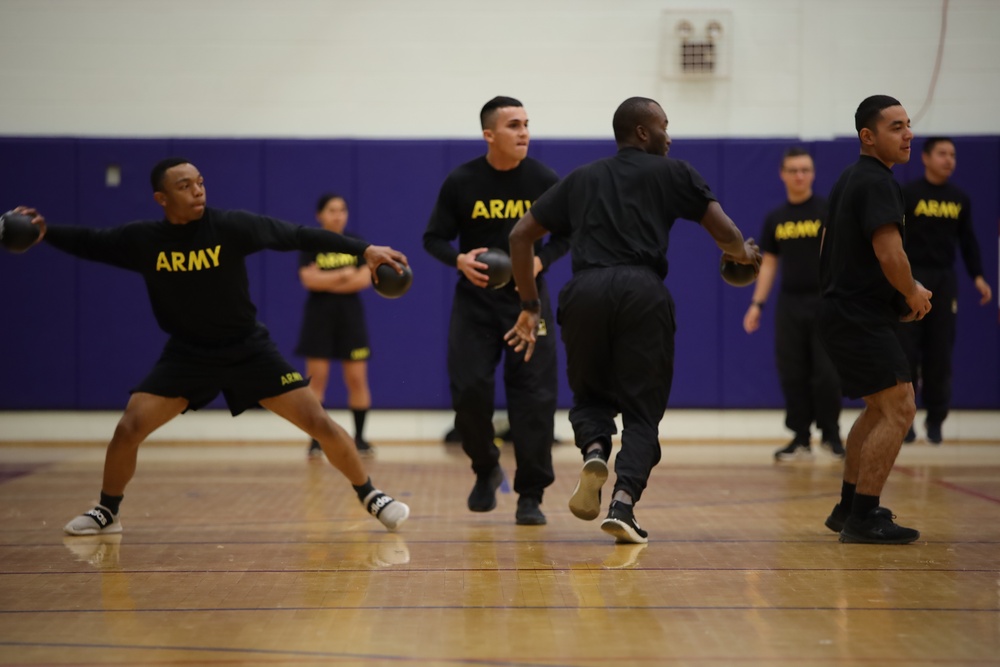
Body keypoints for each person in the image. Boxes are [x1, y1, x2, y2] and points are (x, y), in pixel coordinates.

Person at [14, 157, 411, 537]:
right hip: (188, 354)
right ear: (162, 198)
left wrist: (364, 250)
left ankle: (371, 495)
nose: (197, 191)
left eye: (200, 182)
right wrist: (45, 233)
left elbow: (296, 234)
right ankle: (107, 511)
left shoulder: (230, 226)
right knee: (129, 427)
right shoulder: (144, 240)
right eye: (184, 186)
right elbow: (91, 241)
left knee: (319, 422)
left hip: (248, 348)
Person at [504, 96, 761, 544]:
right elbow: (727, 234)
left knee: (589, 397)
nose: (669, 134)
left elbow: (520, 234)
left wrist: (529, 304)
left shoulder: (581, 178)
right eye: (664, 124)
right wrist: (744, 254)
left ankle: (596, 449)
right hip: (642, 292)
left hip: (584, 291)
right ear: (643, 132)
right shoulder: (676, 172)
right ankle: (623, 504)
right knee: (642, 412)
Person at [422, 96, 569, 526]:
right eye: (513, 125)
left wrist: (542, 261)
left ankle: (531, 495)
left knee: (534, 400)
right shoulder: (462, 181)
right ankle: (486, 468)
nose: (524, 132)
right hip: (476, 304)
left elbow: (570, 233)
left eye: (526, 124)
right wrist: (458, 260)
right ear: (489, 135)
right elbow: (433, 238)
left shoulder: (543, 179)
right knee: (469, 391)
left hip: (527, 304)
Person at [817, 95, 932, 544]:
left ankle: (848, 507)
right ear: (868, 137)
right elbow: (890, 253)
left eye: (908, 125)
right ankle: (863, 518)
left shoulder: (849, 180)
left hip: (843, 311)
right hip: (857, 315)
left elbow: (827, 246)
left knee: (880, 407)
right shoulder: (878, 183)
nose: (908, 135)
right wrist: (912, 292)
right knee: (901, 407)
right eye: (896, 127)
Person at [743, 147, 844, 461]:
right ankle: (800, 437)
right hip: (789, 304)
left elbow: (841, 258)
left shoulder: (828, 211)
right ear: (783, 174)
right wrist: (757, 303)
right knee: (792, 372)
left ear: (812, 173)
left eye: (805, 169)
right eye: (793, 170)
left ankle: (831, 435)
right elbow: (769, 264)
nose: (800, 175)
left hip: (825, 302)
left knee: (826, 373)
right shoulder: (777, 218)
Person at [898, 137, 993, 444]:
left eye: (952, 154)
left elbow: (968, 241)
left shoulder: (959, 198)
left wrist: (977, 275)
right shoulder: (908, 194)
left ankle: (936, 420)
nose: (949, 159)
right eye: (942, 153)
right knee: (907, 352)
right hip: (912, 279)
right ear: (925, 158)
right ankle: (906, 420)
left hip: (944, 280)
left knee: (939, 352)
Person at [295, 194, 375, 459]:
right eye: (332, 210)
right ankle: (316, 441)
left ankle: (361, 439)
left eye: (342, 210)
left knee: (356, 379)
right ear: (320, 215)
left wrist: (326, 278)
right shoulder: (311, 242)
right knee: (317, 380)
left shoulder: (356, 243)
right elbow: (308, 279)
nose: (338, 215)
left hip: (351, 318)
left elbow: (363, 279)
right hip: (319, 318)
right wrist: (343, 274)